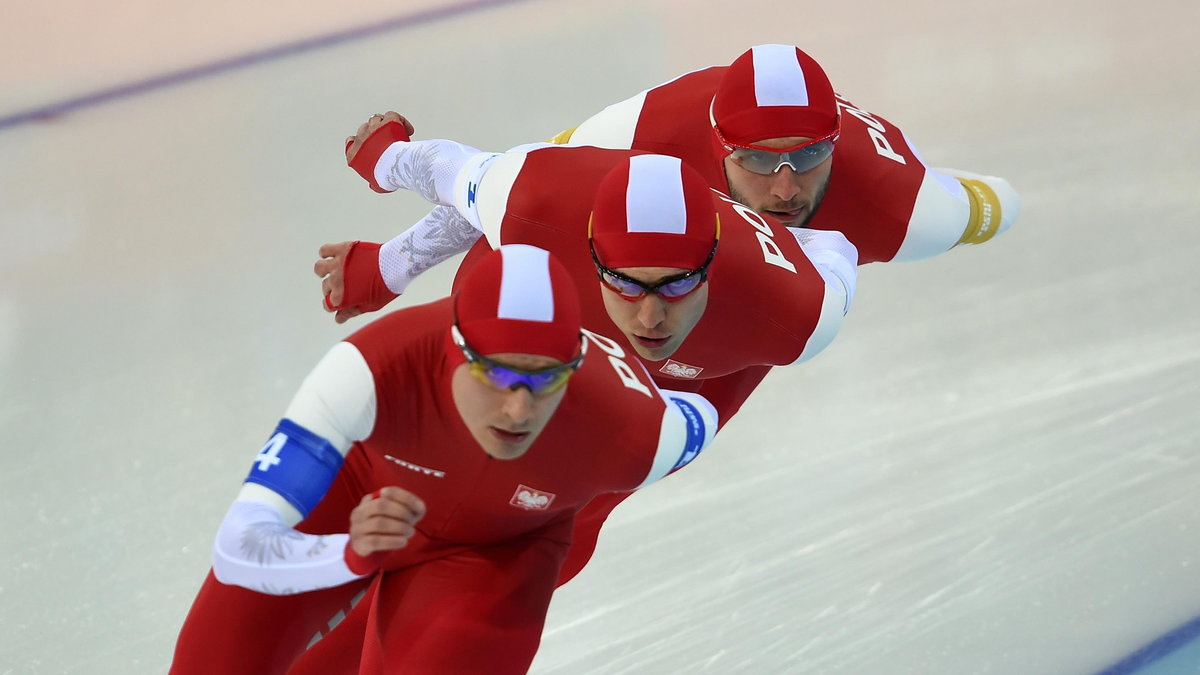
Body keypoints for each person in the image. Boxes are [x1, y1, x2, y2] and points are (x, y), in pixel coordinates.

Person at [321, 118, 857, 586]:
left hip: (672, 380)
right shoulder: (538, 196)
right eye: (624, 281)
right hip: (542, 273)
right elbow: (444, 170)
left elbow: (836, 249)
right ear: (589, 248)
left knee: (544, 527)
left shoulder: (795, 313)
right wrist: (387, 250)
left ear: (713, 267)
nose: (649, 315)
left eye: (676, 284)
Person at [170, 244, 718, 674]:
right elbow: (240, 544)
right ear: (453, 350)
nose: (519, 408)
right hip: (361, 494)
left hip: (499, 550)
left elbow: (698, 413)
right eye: (497, 375)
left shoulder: (633, 430)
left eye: (546, 380)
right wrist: (350, 556)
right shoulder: (369, 369)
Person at [319, 42, 1018, 324]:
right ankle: (398, 166)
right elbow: (503, 185)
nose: (784, 189)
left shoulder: (909, 212)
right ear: (715, 144)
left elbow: (997, 207)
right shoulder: (650, 128)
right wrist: (394, 262)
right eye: (759, 160)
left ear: (834, 144)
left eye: (807, 159)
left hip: (897, 190)